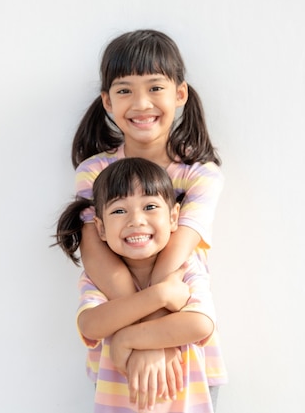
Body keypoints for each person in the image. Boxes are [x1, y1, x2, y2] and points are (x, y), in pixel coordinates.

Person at [70, 29, 227, 407]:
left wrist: (152, 336)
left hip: (185, 355)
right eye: (125, 90)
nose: (141, 103)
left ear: (179, 94)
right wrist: (144, 334)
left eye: (155, 87)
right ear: (107, 101)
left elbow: (177, 253)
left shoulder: (199, 173)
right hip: (118, 359)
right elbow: (96, 255)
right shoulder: (94, 170)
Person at [55, 157, 218, 413]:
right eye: (119, 211)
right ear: (101, 228)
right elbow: (90, 325)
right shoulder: (98, 277)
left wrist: (127, 339)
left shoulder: (185, 268)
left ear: (174, 217)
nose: (136, 220)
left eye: (150, 206)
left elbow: (200, 324)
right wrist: (160, 295)